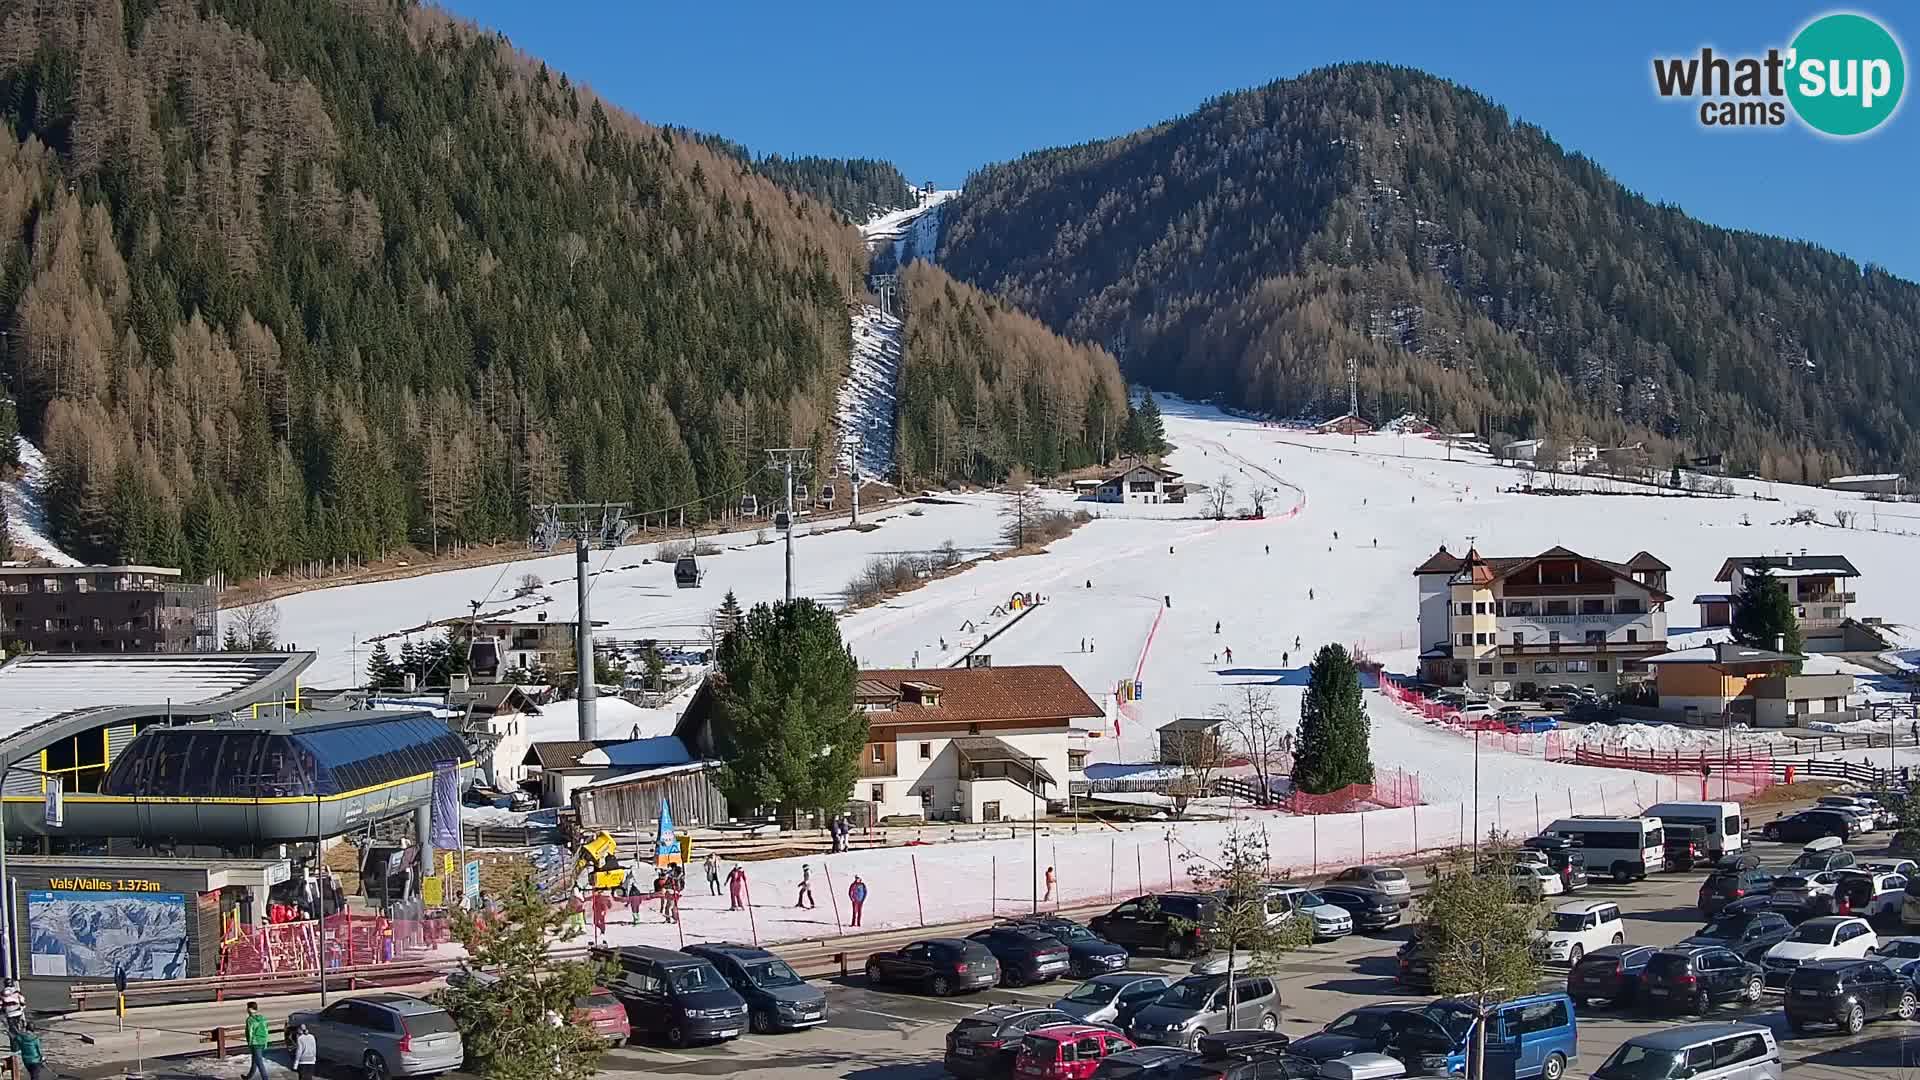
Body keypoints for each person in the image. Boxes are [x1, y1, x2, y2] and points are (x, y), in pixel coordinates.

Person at [243, 1001, 271, 1080]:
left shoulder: (250, 1020)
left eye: (248, 1008)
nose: (247, 1010)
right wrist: (265, 1042)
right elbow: (266, 1030)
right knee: (255, 1061)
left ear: (250, 1009)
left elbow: (250, 1032)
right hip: (262, 1042)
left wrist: (249, 1043)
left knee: (259, 1063)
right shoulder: (262, 1018)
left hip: (255, 1043)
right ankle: (248, 1077)